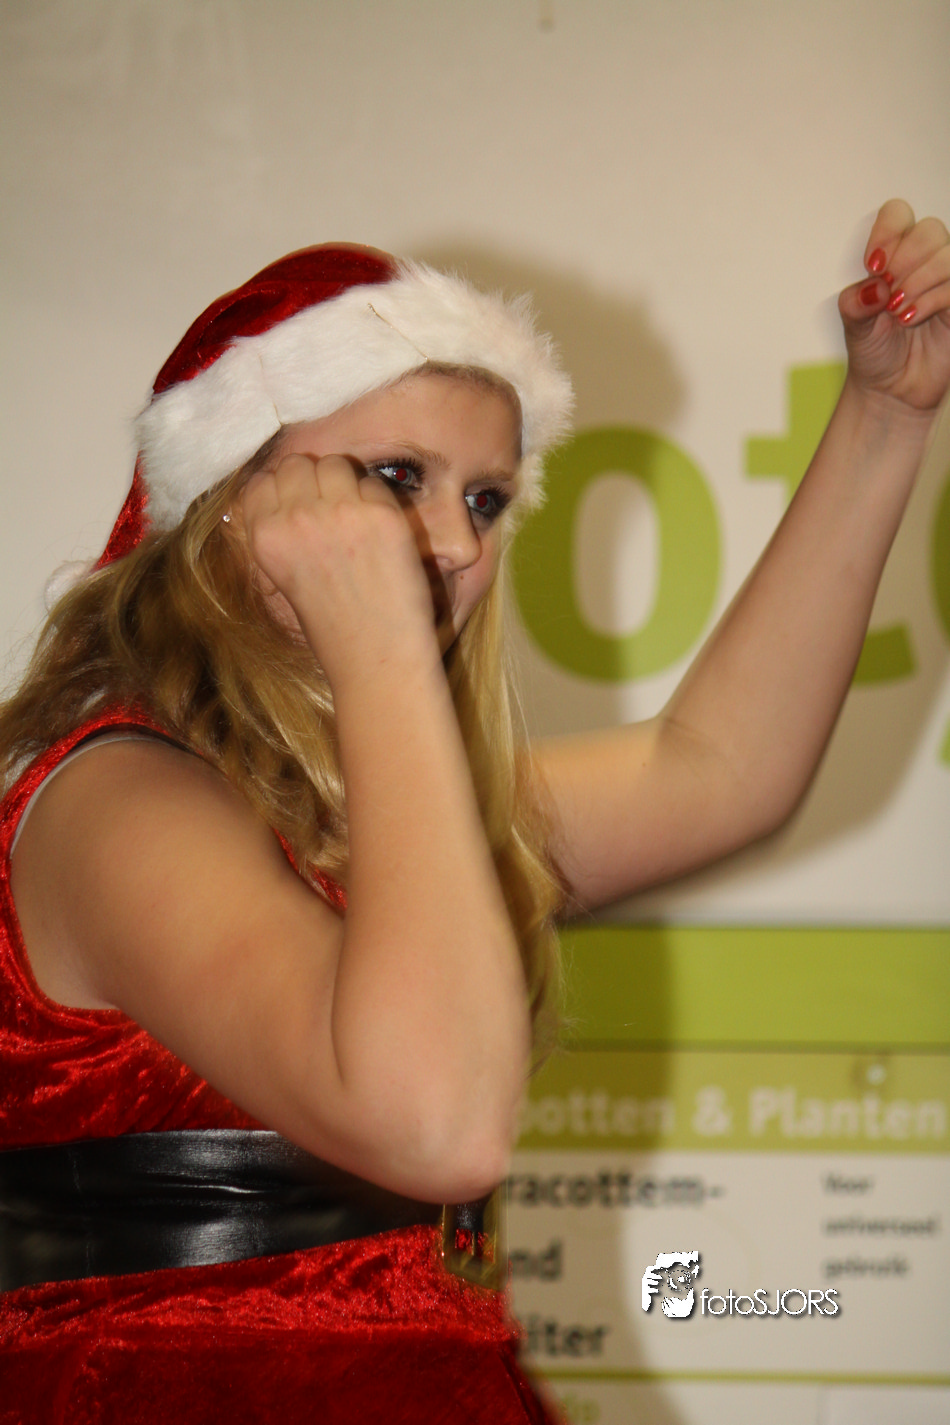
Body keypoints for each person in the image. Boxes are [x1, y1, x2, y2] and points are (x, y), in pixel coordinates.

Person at [0, 200, 947, 1422]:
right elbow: (439, 1125)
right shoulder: (118, 798)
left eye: (488, 500)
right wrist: (383, 652)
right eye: (395, 479)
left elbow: (718, 766)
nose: (451, 542)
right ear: (232, 494)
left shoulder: (366, 815)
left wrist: (884, 414)